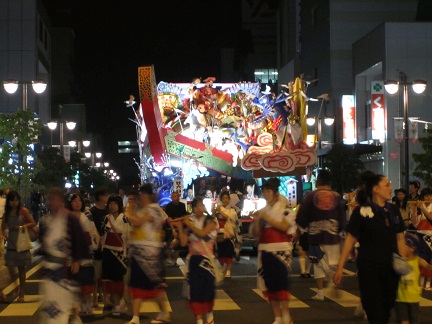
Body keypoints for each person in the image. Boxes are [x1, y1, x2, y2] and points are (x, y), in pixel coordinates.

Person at [333, 172, 406, 323]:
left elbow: (400, 238)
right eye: (387, 185)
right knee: (375, 311)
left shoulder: (393, 210)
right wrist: (340, 267)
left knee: (387, 309)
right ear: (376, 189)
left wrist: (404, 263)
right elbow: (350, 240)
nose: (391, 188)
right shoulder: (361, 212)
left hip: (391, 268)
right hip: (369, 268)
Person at [38, 188, 89, 324]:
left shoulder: (70, 218)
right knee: (51, 306)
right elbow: (42, 243)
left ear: (60, 201)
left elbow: (80, 240)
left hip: (65, 268)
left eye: (54, 199)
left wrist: (77, 261)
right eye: (50, 199)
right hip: (50, 269)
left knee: (65, 305)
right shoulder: (46, 220)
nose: (51, 202)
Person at [250, 178, 296, 324]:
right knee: (269, 285)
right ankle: (277, 317)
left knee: (281, 284)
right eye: (264, 191)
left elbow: (284, 227)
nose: (266, 193)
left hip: (281, 252)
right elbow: (256, 233)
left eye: (269, 191)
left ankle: (285, 314)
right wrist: (257, 219)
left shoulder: (286, 209)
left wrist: (266, 217)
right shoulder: (263, 211)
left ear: (276, 194)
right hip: (265, 251)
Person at [296, 170, 346, 301]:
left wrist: (301, 228)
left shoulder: (309, 196)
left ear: (318, 181)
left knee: (317, 264)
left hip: (315, 236)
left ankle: (320, 292)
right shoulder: (337, 197)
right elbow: (342, 217)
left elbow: (302, 216)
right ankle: (334, 281)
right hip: (332, 235)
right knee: (334, 263)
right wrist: (340, 231)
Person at [125, 183, 170, 324]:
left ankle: (164, 312)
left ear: (148, 195)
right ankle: (136, 317)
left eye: (142, 195)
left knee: (155, 286)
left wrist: (129, 211)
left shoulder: (154, 209)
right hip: (139, 253)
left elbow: (137, 222)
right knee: (137, 286)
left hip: (150, 255)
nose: (141, 198)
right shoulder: (144, 209)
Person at [174, 197, 219, 324]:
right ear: (193, 208)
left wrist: (189, 224)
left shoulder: (210, 221)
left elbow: (203, 233)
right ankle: (199, 320)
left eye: (202, 205)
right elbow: (183, 243)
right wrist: (180, 227)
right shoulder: (191, 221)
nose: (200, 208)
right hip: (193, 260)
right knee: (194, 292)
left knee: (208, 291)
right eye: (198, 206)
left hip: (207, 260)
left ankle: (210, 317)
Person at [65, 192, 100, 316]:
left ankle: (87, 305)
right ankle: (77, 306)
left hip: (86, 250)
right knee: (74, 281)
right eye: (74, 201)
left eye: (79, 201)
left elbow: (93, 230)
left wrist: (95, 242)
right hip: (72, 251)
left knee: (86, 280)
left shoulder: (87, 214)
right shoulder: (66, 216)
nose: (77, 203)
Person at [0, 190, 36, 302]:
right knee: (10, 265)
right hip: (11, 242)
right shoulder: (7, 213)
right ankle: (16, 286)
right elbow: (3, 226)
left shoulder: (23, 211)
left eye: (16, 200)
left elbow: (33, 223)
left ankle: (21, 291)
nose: (14, 203)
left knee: (21, 268)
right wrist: (5, 233)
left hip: (21, 241)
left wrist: (21, 227)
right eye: (12, 200)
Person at [100, 194, 130, 316]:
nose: (112, 206)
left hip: (120, 252)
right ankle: (117, 304)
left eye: (115, 204)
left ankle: (118, 304)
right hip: (107, 251)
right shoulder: (106, 218)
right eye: (110, 204)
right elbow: (102, 232)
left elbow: (128, 235)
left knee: (119, 279)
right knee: (110, 279)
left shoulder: (124, 219)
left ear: (119, 205)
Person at [395, 232, 432, 324]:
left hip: (414, 299)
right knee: (403, 321)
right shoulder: (399, 260)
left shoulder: (418, 260)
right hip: (400, 298)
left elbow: (427, 266)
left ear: (412, 248)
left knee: (415, 321)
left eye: (405, 244)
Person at [89, 188, 109, 307]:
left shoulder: (107, 211)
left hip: (106, 245)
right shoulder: (92, 212)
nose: (107, 198)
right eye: (105, 195)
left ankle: (102, 295)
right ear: (101, 197)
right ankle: (95, 297)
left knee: (103, 273)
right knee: (96, 274)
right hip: (97, 246)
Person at [214, 191, 238, 278]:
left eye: (226, 198)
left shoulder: (232, 210)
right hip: (220, 232)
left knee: (229, 252)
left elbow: (228, 217)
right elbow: (214, 218)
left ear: (229, 199)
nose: (225, 200)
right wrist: (214, 211)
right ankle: (223, 267)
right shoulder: (219, 208)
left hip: (229, 233)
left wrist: (220, 211)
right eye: (223, 198)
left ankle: (228, 270)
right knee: (221, 252)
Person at [164, 191, 187, 267]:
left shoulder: (182, 205)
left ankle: (175, 260)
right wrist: (173, 229)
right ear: (171, 197)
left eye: (177, 196)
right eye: (174, 196)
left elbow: (184, 217)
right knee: (169, 243)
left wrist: (176, 220)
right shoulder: (168, 206)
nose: (176, 198)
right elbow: (169, 219)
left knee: (179, 245)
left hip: (180, 225)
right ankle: (170, 258)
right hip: (170, 226)